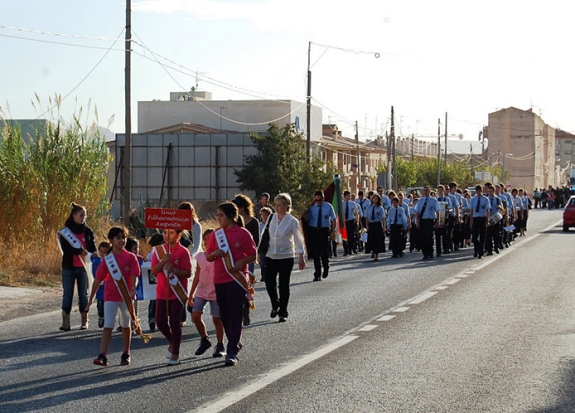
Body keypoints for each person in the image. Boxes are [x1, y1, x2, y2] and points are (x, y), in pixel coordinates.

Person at [206, 202, 257, 366]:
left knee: (235, 314)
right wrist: (215, 253)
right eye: (218, 215)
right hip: (220, 278)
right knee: (224, 315)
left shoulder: (242, 233)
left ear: (231, 216)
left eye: (221, 215)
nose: (218, 218)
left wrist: (240, 262)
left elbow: (252, 254)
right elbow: (208, 256)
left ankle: (232, 350)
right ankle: (234, 341)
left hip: (236, 279)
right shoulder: (216, 234)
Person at [86, 226, 140, 366]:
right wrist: (91, 299)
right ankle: (102, 355)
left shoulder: (130, 257)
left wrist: (133, 288)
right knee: (108, 325)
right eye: (118, 238)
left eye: (123, 237)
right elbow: (98, 280)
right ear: (111, 240)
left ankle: (126, 353)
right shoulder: (107, 259)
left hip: (126, 296)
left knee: (125, 325)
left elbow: (135, 274)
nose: (122, 240)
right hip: (110, 295)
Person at [151, 228, 193, 365]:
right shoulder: (158, 250)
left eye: (171, 233)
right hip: (162, 292)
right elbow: (154, 270)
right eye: (165, 233)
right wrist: (163, 261)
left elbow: (187, 273)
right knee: (160, 321)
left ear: (179, 235)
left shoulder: (183, 251)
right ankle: (172, 341)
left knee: (175, 322)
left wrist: (174, 270)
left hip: (177, 293)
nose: (167, 236)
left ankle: (175, 353)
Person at [264, 193, 306, 323]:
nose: (276, 208)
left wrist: (301, 256)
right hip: (271, 255)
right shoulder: (271, 218)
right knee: (269, 282)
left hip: (286, 256)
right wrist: (259, 253)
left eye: (279, 205)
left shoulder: (292, 221)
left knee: (283, 284)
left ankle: (283, 311)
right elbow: (264, 235)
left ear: (286, 206)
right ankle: (275, 304)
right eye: (275, 205)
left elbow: (299, 240)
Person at [58, 202, 96, 331]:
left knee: (83, 294)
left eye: (84, 215)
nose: (83, 217)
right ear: (74, 215)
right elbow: (66, 249)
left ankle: (84, 319)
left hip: (83, 267)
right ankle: (65, 321)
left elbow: (92, 247)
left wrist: (95, 253)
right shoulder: (65, 232)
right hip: (69, 266)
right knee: (68, 293)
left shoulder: (88, 231)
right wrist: (79, 251)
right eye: (81, 215)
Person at [189, 229, 226, 358]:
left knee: (217, 318)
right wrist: (191, 294)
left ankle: (220, 344)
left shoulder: (220, 257)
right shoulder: (199, 257)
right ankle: (204, 339)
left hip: (216, 292)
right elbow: (197, 276)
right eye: (205, 239)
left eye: (210, 239)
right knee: (195, 315)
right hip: (202, 291)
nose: (206, 242)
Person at [231, 194, 260, 327]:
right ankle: (237, 311)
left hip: (247, 258)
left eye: (237, 206)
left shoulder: (253, 222)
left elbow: (256, 241)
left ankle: (246, 308)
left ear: (242, 208)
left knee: (246, 285)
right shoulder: (232, 221)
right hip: (233, 258)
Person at [177, 201, 202, 327]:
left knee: (193, 287)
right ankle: (181, 317)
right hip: (180, 259)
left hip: (194, 259)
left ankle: (193, 309)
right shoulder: (177, 225)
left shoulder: (196, 225)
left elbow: (197, 244)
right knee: (181, 287)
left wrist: (190, 255)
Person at [305, 190, 336, 281]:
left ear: (323, 198)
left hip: (324, 230)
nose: (318, 202)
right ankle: (317, 274)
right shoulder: (311, 207)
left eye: (320, 200)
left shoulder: (328, 206)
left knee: (323, 252)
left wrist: (333, 231)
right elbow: (307, 219)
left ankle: (326, 267)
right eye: (316, 200)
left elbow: (334, 219)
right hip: (313, 230)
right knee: (315, 253)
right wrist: (305, 213)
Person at [414, 186, 441, 260]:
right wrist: (417, 222)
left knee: (430, 237)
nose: (425, 192)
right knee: (423, 238)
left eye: (427, 190)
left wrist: (438, 221)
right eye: (424, 190)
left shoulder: (434, 200)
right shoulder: (420, 201)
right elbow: (417, 212)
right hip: (422, 221)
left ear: (429, 191)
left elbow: (437, 211)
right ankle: (425, 254)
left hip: (430, 221)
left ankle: (430, 252)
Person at [146, 233, 164, 331]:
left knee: (153, 301)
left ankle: (151, 318)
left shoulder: (150, 254)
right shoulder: (162, 253)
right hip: (161, 281)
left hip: (152, 283)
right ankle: (161, 319)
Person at [91, 241, 110, 329]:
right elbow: (88, 258)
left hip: (109, 287)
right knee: (100, 304)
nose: (103, 254)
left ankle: (107, 319)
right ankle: (101, 317)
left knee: (108, 304)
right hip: (100, 288)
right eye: (101, 252)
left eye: (105, 252)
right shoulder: (96, 260)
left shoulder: (111, 261)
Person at [470, 185, 491, 259]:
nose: (478, 192)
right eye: (477, 191)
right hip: (475, 218)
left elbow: (488, 210)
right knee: (475, 237)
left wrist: (487, 220)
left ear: (482, 191)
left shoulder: (485, 199)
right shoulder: (473, 199)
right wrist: (471, 221)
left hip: (482, 218)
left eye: (480, 191)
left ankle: (480, 252)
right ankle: (476, 249)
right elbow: (471, 211)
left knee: (482, 236)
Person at [365, 193, 386, 261]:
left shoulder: (380, 208)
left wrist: (384, 227)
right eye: (374, 198)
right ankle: (372, 251)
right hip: (371, 225)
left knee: (377, 240)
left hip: (377, 224)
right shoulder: (369, 207)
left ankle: (376, 254)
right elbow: (367, 218)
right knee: (371, 240)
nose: (375, 200)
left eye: (376, 199)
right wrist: (367, 226)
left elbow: (383, 218)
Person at [435, 185, 453, 257]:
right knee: (437, 235)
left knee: (445, 234)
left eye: (441, 190)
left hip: (445, 218)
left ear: (443, 191)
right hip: (437, 219)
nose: (440, 191)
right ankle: (438, 251)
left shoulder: (447, 199)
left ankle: (446, 248)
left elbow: (450, 208)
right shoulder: (435, 200)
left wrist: (449, 211)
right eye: (438, 190)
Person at [485, 185, 502, 255]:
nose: (490, 193)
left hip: (495, 218)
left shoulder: (497, 199)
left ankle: (496, 247)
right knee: (488, 235)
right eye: (489, 191)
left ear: (494, 191)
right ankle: (489, 250)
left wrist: (499, 207)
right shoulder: (486, 199)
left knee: (496, 234)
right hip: (488, 218)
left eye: (491, 191)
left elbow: (502, 208)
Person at [342, 190, 360, 256]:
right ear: (345, 196)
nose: (349, 197)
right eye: (348, 196)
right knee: (344, 236)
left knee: (351, 236)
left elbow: (356, 213)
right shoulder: (341, 204)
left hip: (351, 221)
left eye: (349, 196)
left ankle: (350, 249)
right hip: (344, 222)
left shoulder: (353, 204)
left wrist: (357, 222)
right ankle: (345, 250)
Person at [258, 207, 273, 282]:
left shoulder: (272, 225)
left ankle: (270, 274)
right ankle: (263, 275)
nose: (264, 216)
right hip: (262, 246)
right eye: (262, 215)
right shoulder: (259, 225)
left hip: (270, 245)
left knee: (269, 261)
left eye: (266, 215)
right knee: (262, 262)